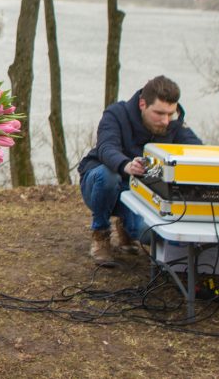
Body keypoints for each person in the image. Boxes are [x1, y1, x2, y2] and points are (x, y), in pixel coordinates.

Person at [77, 75, 202, 264]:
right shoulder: (116, 114)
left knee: (147, 234)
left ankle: (127, 227)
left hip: (139, 193)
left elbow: (198, 151)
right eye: (159, 113)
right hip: (99, 183)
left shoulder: (175, 126)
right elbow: (106, 148)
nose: (166, 121)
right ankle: (100, 234)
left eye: (170, 114)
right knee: (108, 175)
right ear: (143, 104)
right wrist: (126, 165)